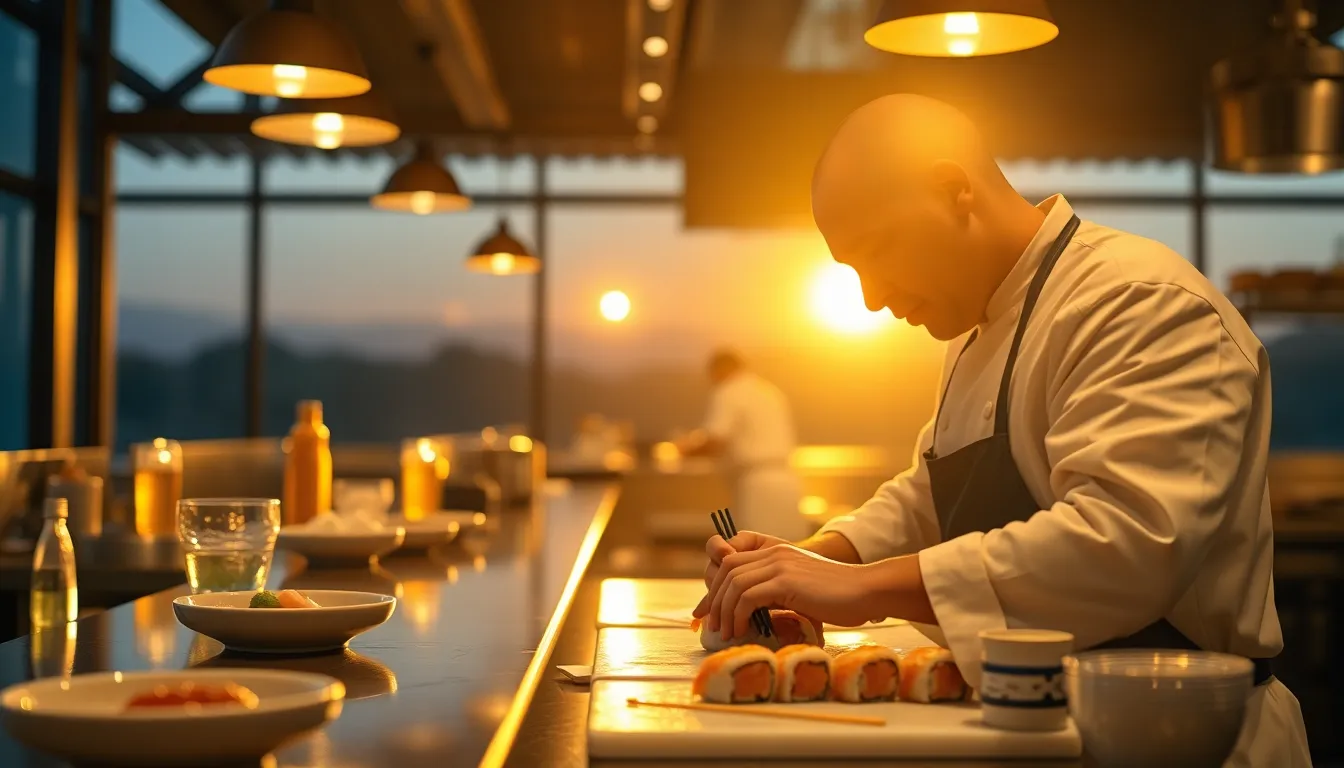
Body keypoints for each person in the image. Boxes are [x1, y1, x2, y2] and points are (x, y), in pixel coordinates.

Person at [693, 94, 1310, 766]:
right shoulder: (971, 333)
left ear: (954, 190)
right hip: (1038, 725)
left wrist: (860, 590)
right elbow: (932, 492)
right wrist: (812, 559)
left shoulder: (1140, 300)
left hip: (1183, 737)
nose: (870, 296)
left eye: (876, 251)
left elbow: (1125, 543)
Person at [676, 349, 809, 541]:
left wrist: (681, 450)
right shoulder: (769, 391)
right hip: (788, 479)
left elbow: (715, 440)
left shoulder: (729, 391)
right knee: (793, 549)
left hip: (758, 484)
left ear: (719, 369)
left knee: (757, 551)